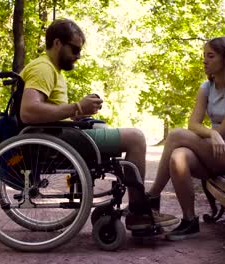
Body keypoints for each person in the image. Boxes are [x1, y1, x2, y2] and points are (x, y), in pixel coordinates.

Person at [19, 18, 178, 231]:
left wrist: (77, 113)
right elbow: (28, 112)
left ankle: (135, 205)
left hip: (57, 133)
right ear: (57, 43)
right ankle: (139, 212)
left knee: (104, 127)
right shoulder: (43, 69)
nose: (78, 55)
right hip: (53, 140)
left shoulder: (50, 69)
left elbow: (47, 111)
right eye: (74, 49)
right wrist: (76, 106)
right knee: (136, 138)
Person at [147, 37, 225, 241]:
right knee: (178, 156)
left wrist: (215, 133)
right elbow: (194, 124)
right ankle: (189, 221)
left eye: (210, 56)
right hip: (214, 149)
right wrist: (212, 133)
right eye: (204, 56)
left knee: (175, 135)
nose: (204, 61)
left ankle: (151, 197)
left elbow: (223, 132)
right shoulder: (207, 87)